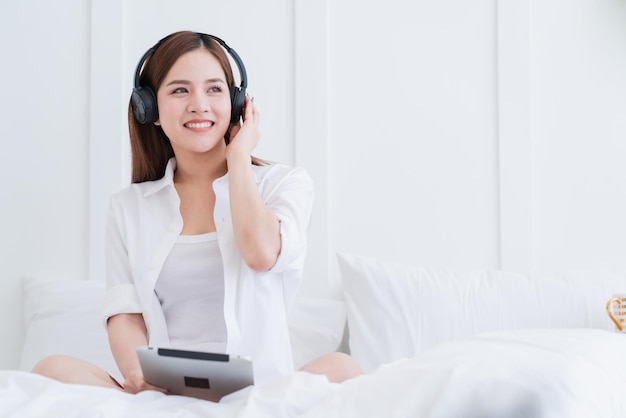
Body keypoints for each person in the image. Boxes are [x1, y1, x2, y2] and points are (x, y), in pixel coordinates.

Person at [32, 30, 362, 394]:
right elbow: (125, 313)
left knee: (343, 368)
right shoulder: (129, 207)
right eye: (179, 90)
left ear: (237, 104)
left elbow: (260, 253)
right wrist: (141, 377)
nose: (199, 104)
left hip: (258, 395)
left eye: (214, 89)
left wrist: (238, 157)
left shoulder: (284, 183)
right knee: (52, 369)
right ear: (150, 109)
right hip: (163, 392)